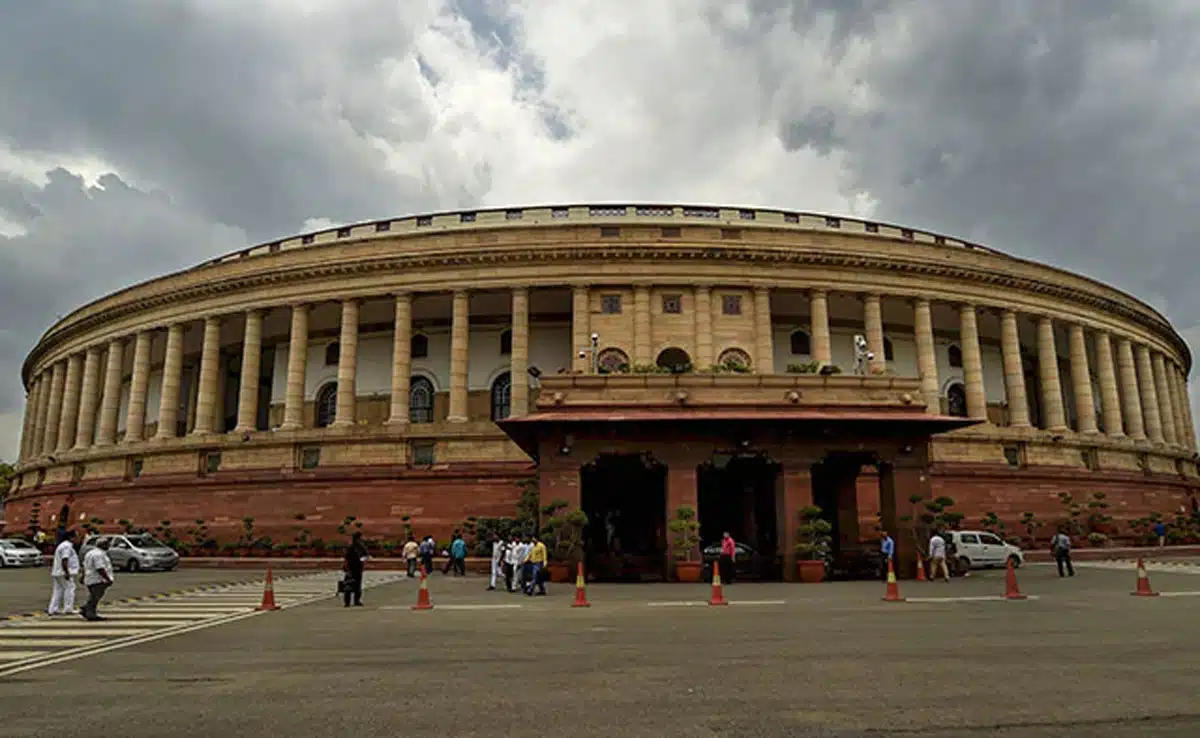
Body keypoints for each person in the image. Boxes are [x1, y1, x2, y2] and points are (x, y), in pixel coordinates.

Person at [80, 537, 114, 621]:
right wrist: (107, 579)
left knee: (94, 596)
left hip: (90, 578)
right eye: (107, 544)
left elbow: (85, 566)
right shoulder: (98, 554)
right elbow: (100, 568)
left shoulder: (91, 553)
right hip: (97, 579)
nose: (109, 545)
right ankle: (90, 613)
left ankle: (86, 609)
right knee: (95, 597)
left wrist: (83, 576)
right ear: (103, 545)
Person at [48, 530, 80, 616]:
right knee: (70, 588)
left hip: (57, 572)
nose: (78, 538)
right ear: (71, 537)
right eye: (76, 536)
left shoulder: (63, 545)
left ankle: (53, 609)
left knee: (58, 590)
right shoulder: (67, 546)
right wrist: (67, 572)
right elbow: (64, 560)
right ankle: (68, 608)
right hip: (63, 572)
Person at [342, 532, 369, 607]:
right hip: (354, 568)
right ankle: (353, 601)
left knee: (351, 584)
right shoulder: (356, 547)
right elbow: (346, 558)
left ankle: (351, 601)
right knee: (352, 584)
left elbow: (365, 555)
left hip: (354, 568)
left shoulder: (356, 546)